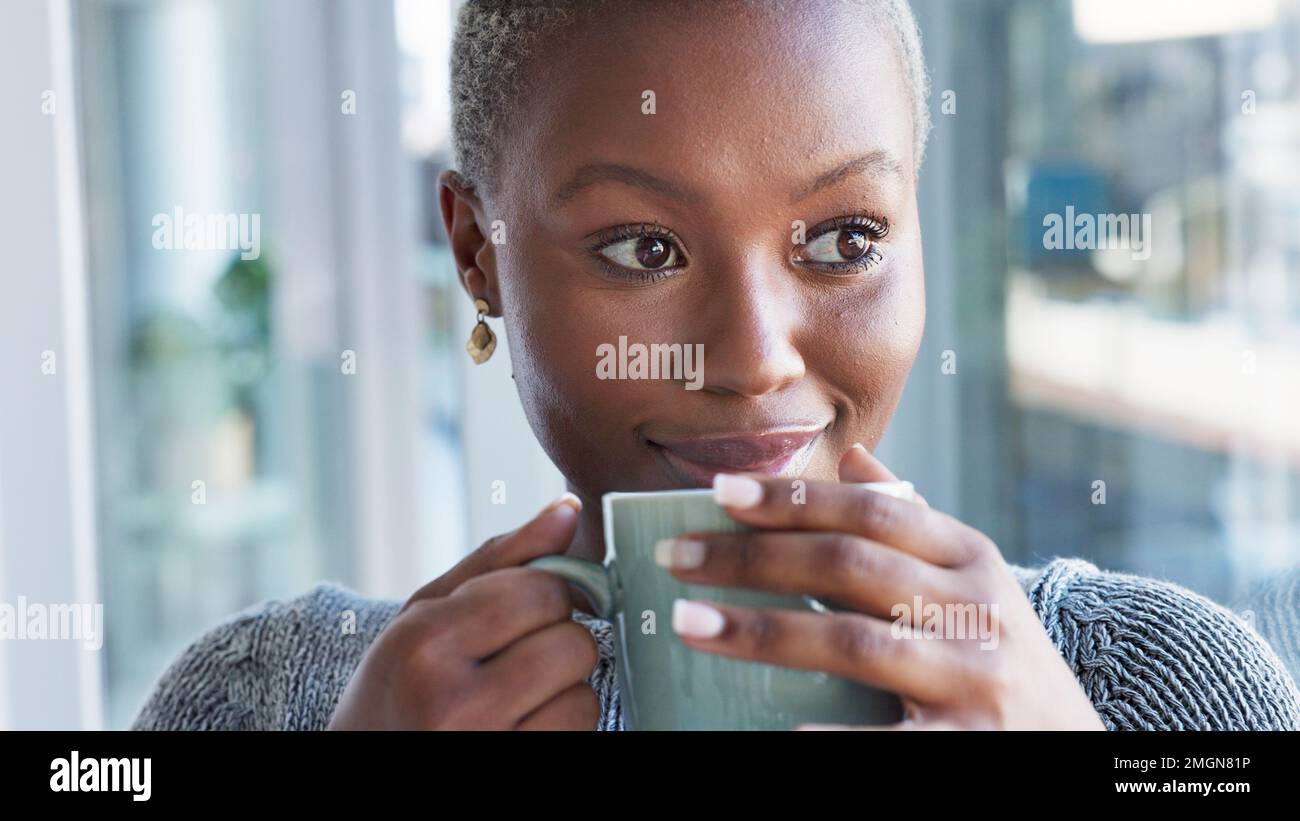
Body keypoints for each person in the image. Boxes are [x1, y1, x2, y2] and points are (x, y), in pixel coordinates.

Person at [132, 0, 1300, 731]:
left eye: (844, 239)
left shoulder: (1149, 686)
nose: (751, 358)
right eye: (644, 249)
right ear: (476, 254)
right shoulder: (267, 701)